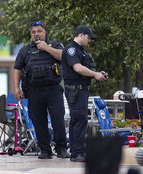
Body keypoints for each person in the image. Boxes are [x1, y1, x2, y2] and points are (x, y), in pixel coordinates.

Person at [13, 21, 70, 160]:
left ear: (45, 32)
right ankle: (45, 150)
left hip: (53, 90)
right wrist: (16, 88)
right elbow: (17, 69)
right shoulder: (25, 50)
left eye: (39, 31)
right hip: (34, 91)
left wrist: (46, 48)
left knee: (58, 119)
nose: (36, 34)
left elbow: (64, 57)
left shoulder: (55, 45)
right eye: (33, 32)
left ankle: (61, 148)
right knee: (39, 121)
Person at [61, 25, 107, 162]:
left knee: (78, 120)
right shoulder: (71, 49)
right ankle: (76, 153)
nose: (89, 41)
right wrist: (95, 74)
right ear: (81, 35)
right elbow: (78, 68)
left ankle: (77, 151)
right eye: (88, 37)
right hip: (75, 90)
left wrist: (98, 74)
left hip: (81, 89)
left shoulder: (81, 51)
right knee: (79, 119)